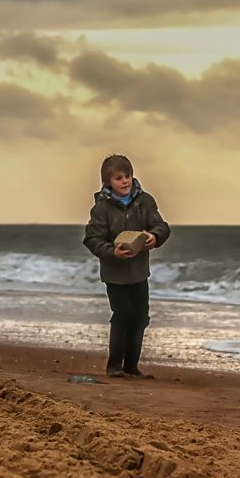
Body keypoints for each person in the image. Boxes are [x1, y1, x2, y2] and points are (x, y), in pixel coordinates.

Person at [83, 154, 170, 378]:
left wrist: (154, 236)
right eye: (119, 178)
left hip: (139, 272)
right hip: (115, 273)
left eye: (128, 176)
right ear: (108, 182)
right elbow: (92, 239)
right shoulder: (101, 208)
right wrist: (112, 252)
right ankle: (114, 367)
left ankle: (132, 367)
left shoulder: (145, 201)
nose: (125, 181)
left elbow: (161, 225)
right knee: (122, 314)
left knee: (141, 316)